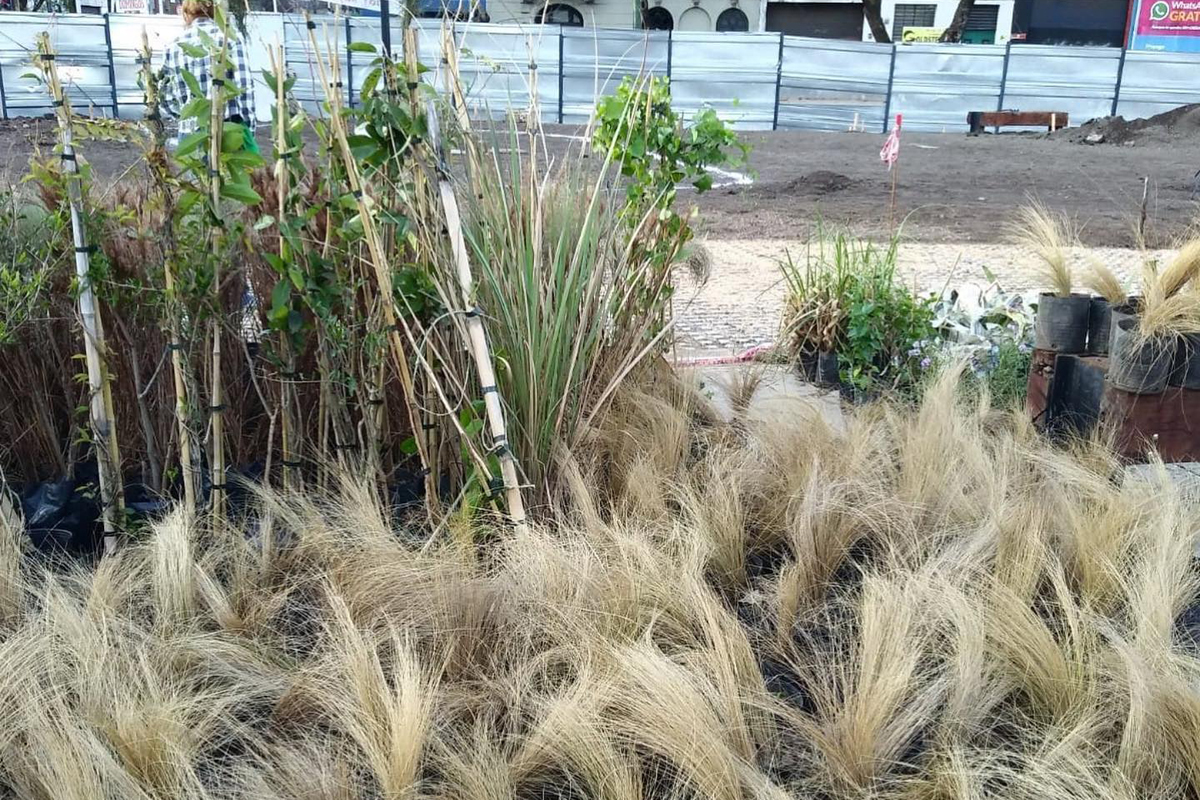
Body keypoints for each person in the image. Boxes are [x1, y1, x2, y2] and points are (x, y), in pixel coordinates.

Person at [159, 0, 256, 152]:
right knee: (229, 175)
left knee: (195, 176)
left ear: (186, 13)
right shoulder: (230, 39)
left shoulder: (173, 46)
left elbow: (165, 98)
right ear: (216, 11)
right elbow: (244, 88)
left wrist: (186, 116)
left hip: (189, 136)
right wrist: (249, 129)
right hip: (227, 132)